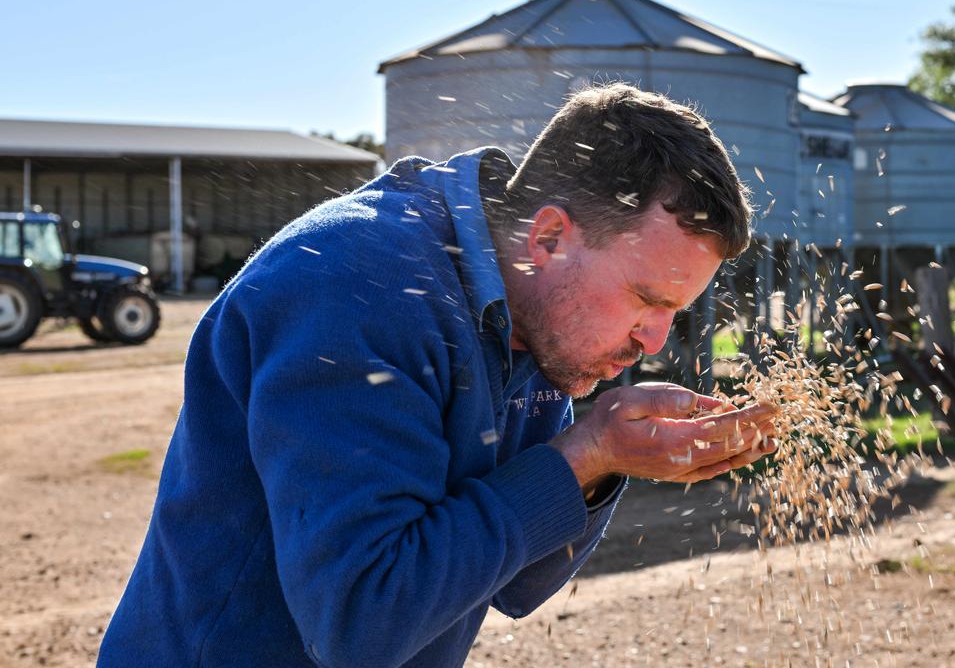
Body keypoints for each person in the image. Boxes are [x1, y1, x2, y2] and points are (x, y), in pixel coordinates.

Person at [98, 83, 778, 668]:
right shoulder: (355, 289)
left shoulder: (528, 314)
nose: (654, 339)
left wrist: (603, 465)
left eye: (674, 312)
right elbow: (359, 622)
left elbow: (514, 582)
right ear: (549, 238)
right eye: (646, 299)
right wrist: (584, 454)